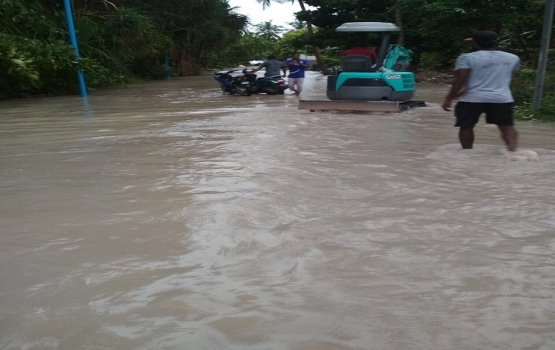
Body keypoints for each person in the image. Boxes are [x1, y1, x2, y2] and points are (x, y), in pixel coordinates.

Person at [442, 30, 520, 152]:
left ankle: (467, 153)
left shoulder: (466, 58)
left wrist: (449, 98)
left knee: (466, 126)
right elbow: (507, 76)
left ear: (475, 43)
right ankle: (512, 152)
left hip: (472, 98)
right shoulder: (513, 58)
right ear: (495, 42)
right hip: (502, 98)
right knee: (507, 126)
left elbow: (460, 80)